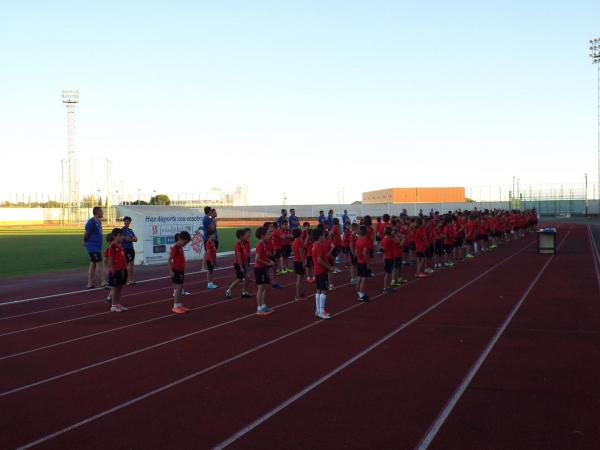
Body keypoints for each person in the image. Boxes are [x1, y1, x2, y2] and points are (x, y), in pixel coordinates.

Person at [83, 206, 107, 289]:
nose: (102, 213)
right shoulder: (91, 222)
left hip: (97, 246)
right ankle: (103, 281)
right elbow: (86, 232)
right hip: (92, 246)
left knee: (93, 264)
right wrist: (84, 241)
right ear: (97, 212)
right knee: (99, 263)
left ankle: (89, 283)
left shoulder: (99, 222)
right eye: (101, 211)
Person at [106, 228, 129, 313]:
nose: (122, 237)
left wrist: (125, 266)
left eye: (122, 235)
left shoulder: (121, 246)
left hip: (122, 269)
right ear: (115, 236)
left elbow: (123, 257)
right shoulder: (112, 246)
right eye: (120, 236)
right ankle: (113, 305)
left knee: (120, 287)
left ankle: (118, 304)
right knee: (115, 288)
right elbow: (110, 258)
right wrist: (112, 269)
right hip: (116, 270)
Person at [312, 228, 333, 319]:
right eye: (324, 236)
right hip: (321, 270)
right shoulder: (319, 246)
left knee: (319, 289)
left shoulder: (316, 245)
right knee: (324, 289)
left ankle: (318, 310)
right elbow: (320, 260)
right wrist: (328, 267)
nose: (325, 238)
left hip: (317, 270)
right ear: (320, 237)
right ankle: (321, 311)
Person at [169, 231, 191, 314]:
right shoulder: (175, 248)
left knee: (180, 288)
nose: (185, 244)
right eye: (185, 242)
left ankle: (179, 304)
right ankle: (175, 306)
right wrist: (171, 271)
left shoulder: (180, 247)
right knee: (178, 289)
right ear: (180, 239)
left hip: (180, 270)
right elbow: (169, 259)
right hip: (176, 270)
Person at [254, 227, 275, 316]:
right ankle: (259, 309)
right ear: (262, 236)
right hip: (260, 269)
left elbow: (263, 256)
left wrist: (269, 261)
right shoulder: (260, 245)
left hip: (263, 268)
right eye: (267, 234)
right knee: (261, 288)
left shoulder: (264, 244)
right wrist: (268, 263)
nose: (269, 236)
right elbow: (257, 259)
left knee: (267, 287)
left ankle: (264, 305)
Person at [226, 229, 251, 299]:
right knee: (240, 279)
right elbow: (238, 257)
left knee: (247, 277)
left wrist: (246, 264)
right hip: (239, 264)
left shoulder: (246, 242)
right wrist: (241, 267)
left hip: (245, 263)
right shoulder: (238, 245)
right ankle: (229, 290)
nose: (246, 236)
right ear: (241, 237)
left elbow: (247, 254)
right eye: (244, 235)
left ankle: (244, 292)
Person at [355, 225, 371, 302]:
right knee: (364, 278)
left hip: (359, 261)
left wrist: (359, 258)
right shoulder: (366, 241)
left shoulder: (358, 241)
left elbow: (356, 251)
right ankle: (361, 295)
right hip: (364, 262)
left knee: (359, 277)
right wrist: (368, 262)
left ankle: (360, 294)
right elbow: (365, 253)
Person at [121, 216, 138, 285]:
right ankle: (128, 280)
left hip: (131, 248)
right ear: (124, 222)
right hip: (125, 249)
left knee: (131, 264)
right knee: (129, 264)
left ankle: (130, 279)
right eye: (126, 221)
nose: (127, 222)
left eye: (128, 221)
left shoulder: (130, 230)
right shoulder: (123, 230)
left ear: (130, 222)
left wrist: (131, 239)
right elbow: (126, 239)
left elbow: (136, 239)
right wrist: (132, 239)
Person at [292, 228, 306, 300]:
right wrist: (304, 262)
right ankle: (297, 295)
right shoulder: (299, 242)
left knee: (300, 278)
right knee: (299, 278)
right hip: (299, 261)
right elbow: (301, 253)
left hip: (296, 261)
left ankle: (300, 293)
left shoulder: (295, 241)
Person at [381, 227, 395, 294]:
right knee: (387, 273)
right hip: (389, 257)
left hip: (387, 257)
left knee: (388, 273)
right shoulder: (390, 239)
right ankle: (385, 288)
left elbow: (381, 247)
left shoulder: (384, 238)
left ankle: (387, 286)